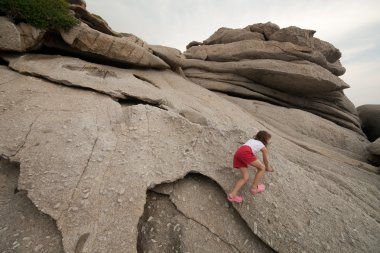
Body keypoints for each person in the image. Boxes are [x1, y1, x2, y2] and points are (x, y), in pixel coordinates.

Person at [228, 130, 274, 203]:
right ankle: (254, 188)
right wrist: (267, 167)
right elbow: (265, 159)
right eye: (269, 140)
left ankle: (232, 195)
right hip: (245, 152)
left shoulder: (251, 140)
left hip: (238, 153)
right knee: (262, 168)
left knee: (245, 177)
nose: (269, 142)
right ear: (265, 140)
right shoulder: (262, 146)